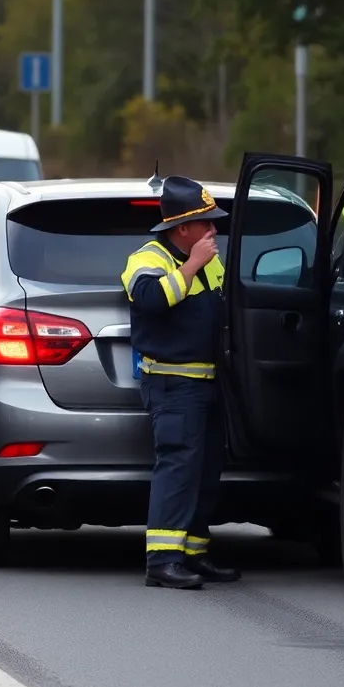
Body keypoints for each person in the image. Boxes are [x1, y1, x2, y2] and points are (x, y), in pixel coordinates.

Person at [121, 175, 241, 590]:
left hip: (209, 383)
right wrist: (191, 266)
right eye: (206, 222)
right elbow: (151, 300)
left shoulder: (210, 260)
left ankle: (193, 554)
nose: (214, 230)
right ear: (183, 227)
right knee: (177, 469)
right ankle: (162, 560)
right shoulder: (147, 259)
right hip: (173, 385)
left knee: (205, 472)